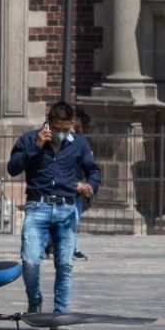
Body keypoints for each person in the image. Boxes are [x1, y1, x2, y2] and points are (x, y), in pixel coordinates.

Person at [7, 101, 101, 330]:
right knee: (30, 261)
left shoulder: (78, 143)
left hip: (66, 209)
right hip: (37, 207)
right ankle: (35, 302)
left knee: (65, 264)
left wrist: (91, 185)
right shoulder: (30, 140)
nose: (61, 133)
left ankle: (60, 314)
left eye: (65, 129)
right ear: (48, 123)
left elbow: (93, 169)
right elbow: (12, 168)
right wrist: (36, 146)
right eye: (57, 128)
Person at [71, 108, 93, 261]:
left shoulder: (81, 144)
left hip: (76, 187)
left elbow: (91, 166)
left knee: (74, 219)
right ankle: (72, 249)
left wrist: (89, 185)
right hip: (63, 187)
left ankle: (73, 248)